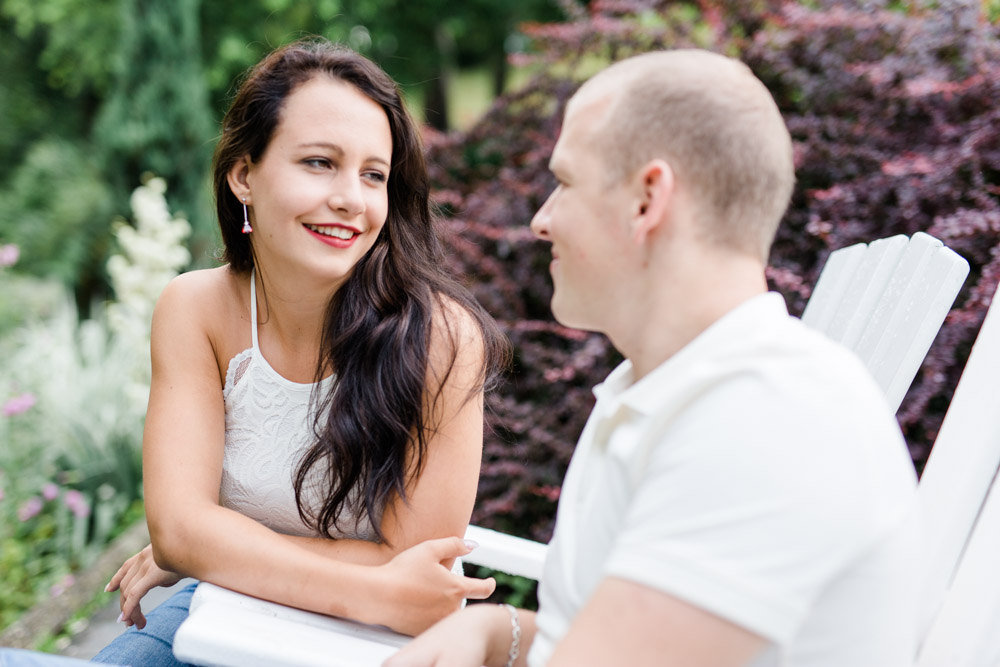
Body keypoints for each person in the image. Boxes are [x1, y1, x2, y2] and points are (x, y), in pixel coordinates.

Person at [385, 49, 921, 666]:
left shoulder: (767, 419)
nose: (540, 220)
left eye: (564, 183)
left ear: (647, 199)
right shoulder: (667, 392)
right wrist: (498, 631)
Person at [86, 38, 507, 666]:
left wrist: (213, 548)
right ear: (244, 175)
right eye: (319, 162)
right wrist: (194, 548)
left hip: (375, 644)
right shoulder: (196, 309)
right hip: (223, 607)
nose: (350, 199)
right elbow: (176, 530)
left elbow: (415, 575)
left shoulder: (440, 338)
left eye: (373, 174)